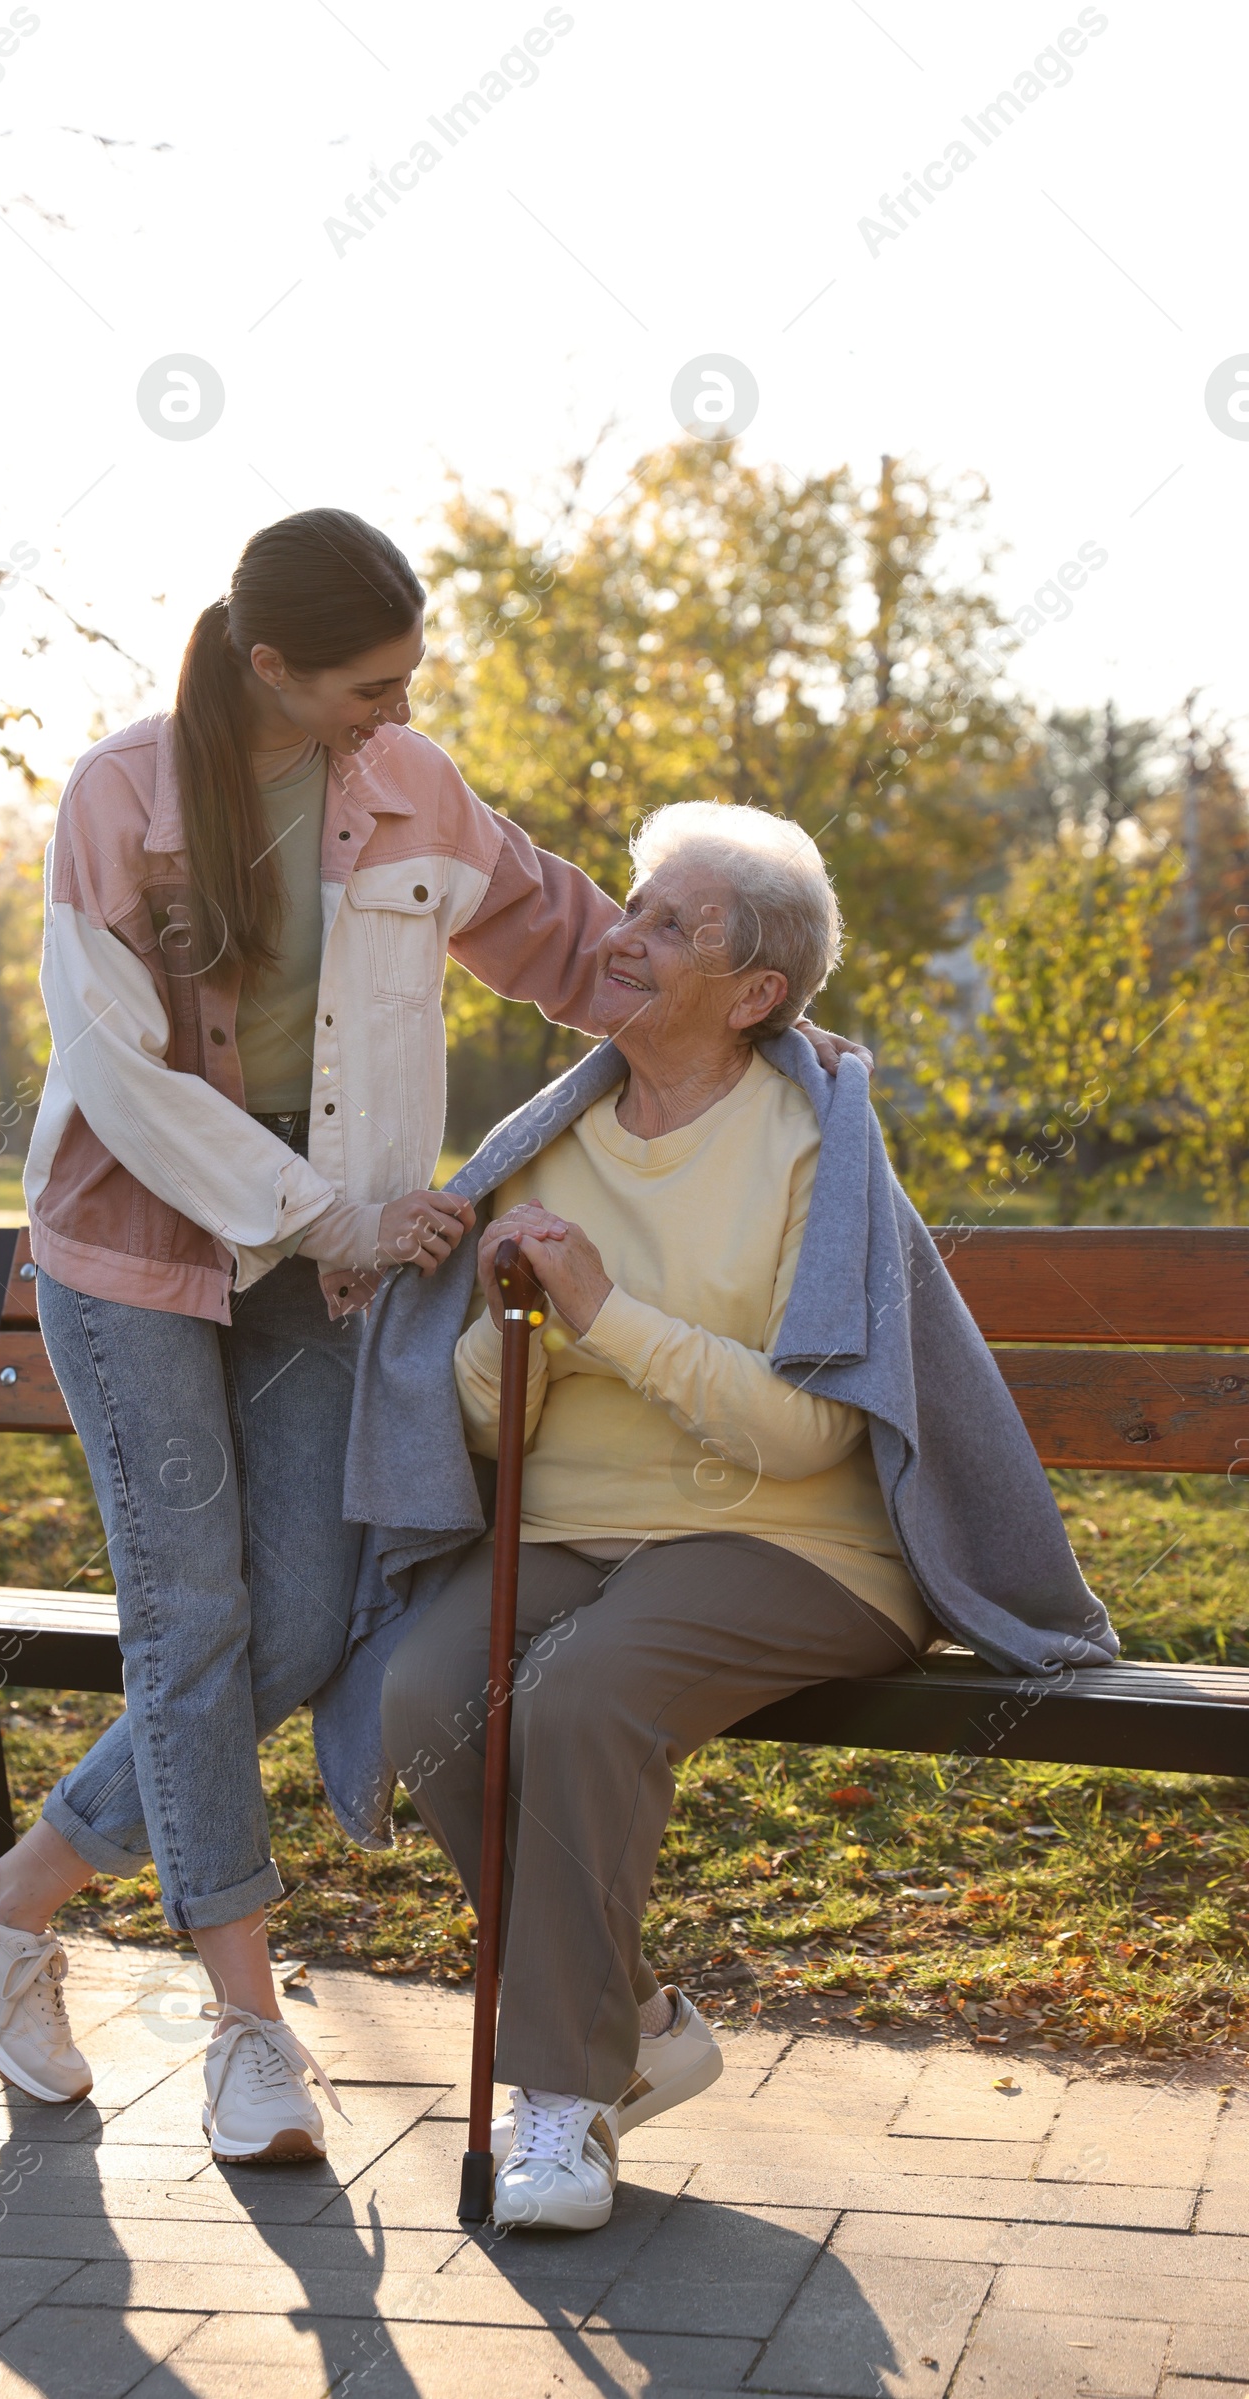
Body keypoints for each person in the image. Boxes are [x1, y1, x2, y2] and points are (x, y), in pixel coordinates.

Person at [0, 515, 865, 2164]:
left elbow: (577, 942)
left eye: (408, 678)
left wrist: (781, 1045)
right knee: (196, 1621)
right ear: (270, 665)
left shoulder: (411, 785)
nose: (394, 709)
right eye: (369, 682)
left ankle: (4, 1907)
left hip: (319, 1267)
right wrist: (331, 1216)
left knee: (301, 1622)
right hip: (137, 1253)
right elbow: (120, 1078)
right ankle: (248, 2033)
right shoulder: (120, 795)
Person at [381, 801, 942, 2231]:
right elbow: (492, 1422)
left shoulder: (814, 1146)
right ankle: (631, 2020)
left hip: (794, 1541)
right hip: (578, 1525)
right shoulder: (549, 1144)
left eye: (669, 926)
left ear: (755, 992)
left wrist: (606, 1315)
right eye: (629, 910)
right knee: (427, 1695)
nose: (619, 942)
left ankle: (563, 2104)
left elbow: (817, 1426)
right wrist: (515, 1323)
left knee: (574, 1702)